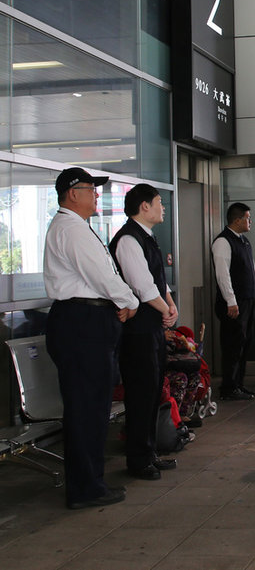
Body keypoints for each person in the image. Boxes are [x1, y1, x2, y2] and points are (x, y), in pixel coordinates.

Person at [43, 167, 139, 509]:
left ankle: (89, 483)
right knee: (87, 409)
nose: (96, 194)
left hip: (85, 321)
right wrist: (130, 301)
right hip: (81, 324)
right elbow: (101, 276)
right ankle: (86, 488)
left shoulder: (75, 227)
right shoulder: (71, 229)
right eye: (90, 189)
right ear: (73, 194)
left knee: (92, 407)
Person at [109, 184, 179, 480]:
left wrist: (171, 304)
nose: (163, 207)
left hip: (151, 327)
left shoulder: (148, 238)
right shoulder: (128, 239)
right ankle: (138, 459)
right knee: (140, 394)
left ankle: (149, 451)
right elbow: (141, 285)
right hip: (136, 332)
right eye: (159, 202)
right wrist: (165, 310)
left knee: (152, 392)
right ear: (144, 206)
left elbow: (158, 281)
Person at [212, 202, 255, 401]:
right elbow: (222, 275)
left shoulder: (243, 241)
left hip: (247, 300)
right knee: (232, 345)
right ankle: (228, 387)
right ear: (237, 220)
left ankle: (239, 384)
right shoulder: (223, 242)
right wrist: (230, 301)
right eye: (247, 218)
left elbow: (251, 268)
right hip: (233, 304)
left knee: (244, 343)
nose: (250, 221)